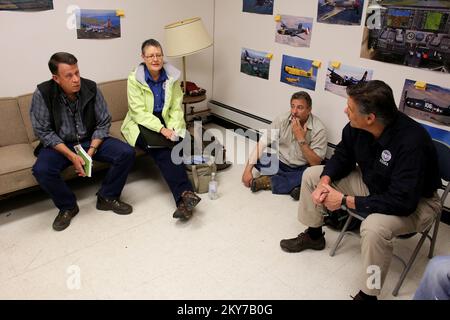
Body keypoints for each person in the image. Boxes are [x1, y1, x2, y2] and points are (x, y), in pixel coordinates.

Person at [279, 80, 442, 300]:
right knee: (312, 176)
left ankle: (369, 294)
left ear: (370, 118)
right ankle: (314, 236)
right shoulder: (357, 127)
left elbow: (402, 201)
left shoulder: (412, 143)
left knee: (373, 227)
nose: (345, 110)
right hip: (372, 183)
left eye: (351, 108)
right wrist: (325, 180)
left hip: (415, 203)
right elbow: (342, 157)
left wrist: (345, 201)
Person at [31, 52, 135, 231]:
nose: (76, 79)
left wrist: (91, 151)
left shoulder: (91, 88)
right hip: (60, 145)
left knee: (126, 153)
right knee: (41, 170)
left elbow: (103, 121)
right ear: (56, 78)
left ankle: (107, 197)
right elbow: (44, 132)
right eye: (69, 76)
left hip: (89, 140)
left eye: (77, 73)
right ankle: (67, 206)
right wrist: (72, 156)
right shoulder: (42, 93)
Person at [121, 39, 201, 220]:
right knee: (163, 150)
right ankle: (185, 194)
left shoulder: (172, 77)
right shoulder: (134, 79)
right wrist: (162, 130)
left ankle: (184, 201)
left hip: (165, 120)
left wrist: (172, 128)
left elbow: (175, 107)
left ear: (162, 56)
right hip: (140, 123)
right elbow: (138, 112)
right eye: (150, 55)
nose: (155, 59)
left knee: (178, 143)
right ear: (143, 57)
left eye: (158, 55)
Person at [241, 91, 327, 200]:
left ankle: (269, 181)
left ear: (309, 110)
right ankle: (295, 186)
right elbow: (262, 143)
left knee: (318, 173)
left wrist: (301, 139)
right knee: (258, 159)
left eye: (300, 108)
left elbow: (315, 163)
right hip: (281, 163)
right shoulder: (282, 120)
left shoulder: (319, 128)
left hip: (302, 168)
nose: (294, 112)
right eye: (292, 107)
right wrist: (247, 171)